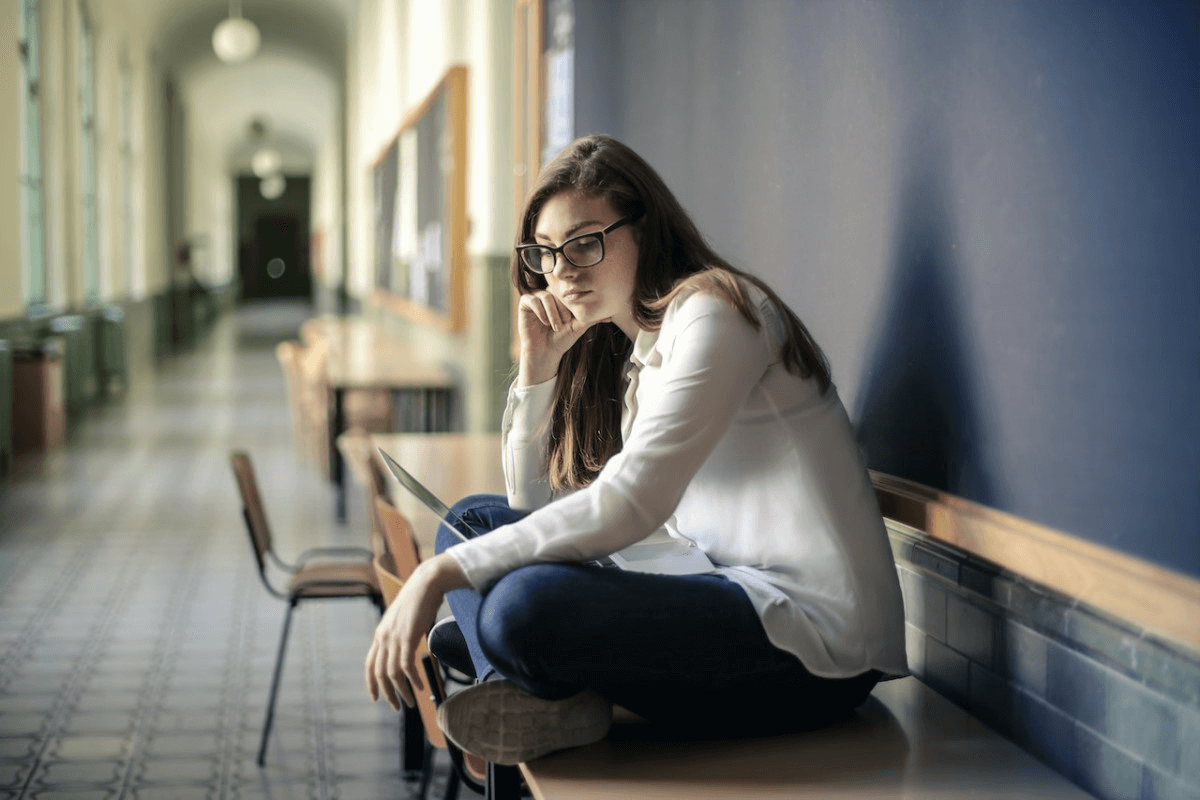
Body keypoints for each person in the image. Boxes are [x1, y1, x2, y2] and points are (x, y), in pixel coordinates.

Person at [365, 134, 908, 766]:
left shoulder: (718, 314)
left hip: (815, 644)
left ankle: (520, 674)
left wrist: (437, 577)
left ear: (646, 230)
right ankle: (530, 688)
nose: (563, 270)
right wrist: (538, 373)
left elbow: (633, 503)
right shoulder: (643, 354)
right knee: (470, 526)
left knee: (518, 604)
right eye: (545, 253)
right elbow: (530, 506)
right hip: (714, 584)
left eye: (585, 242)